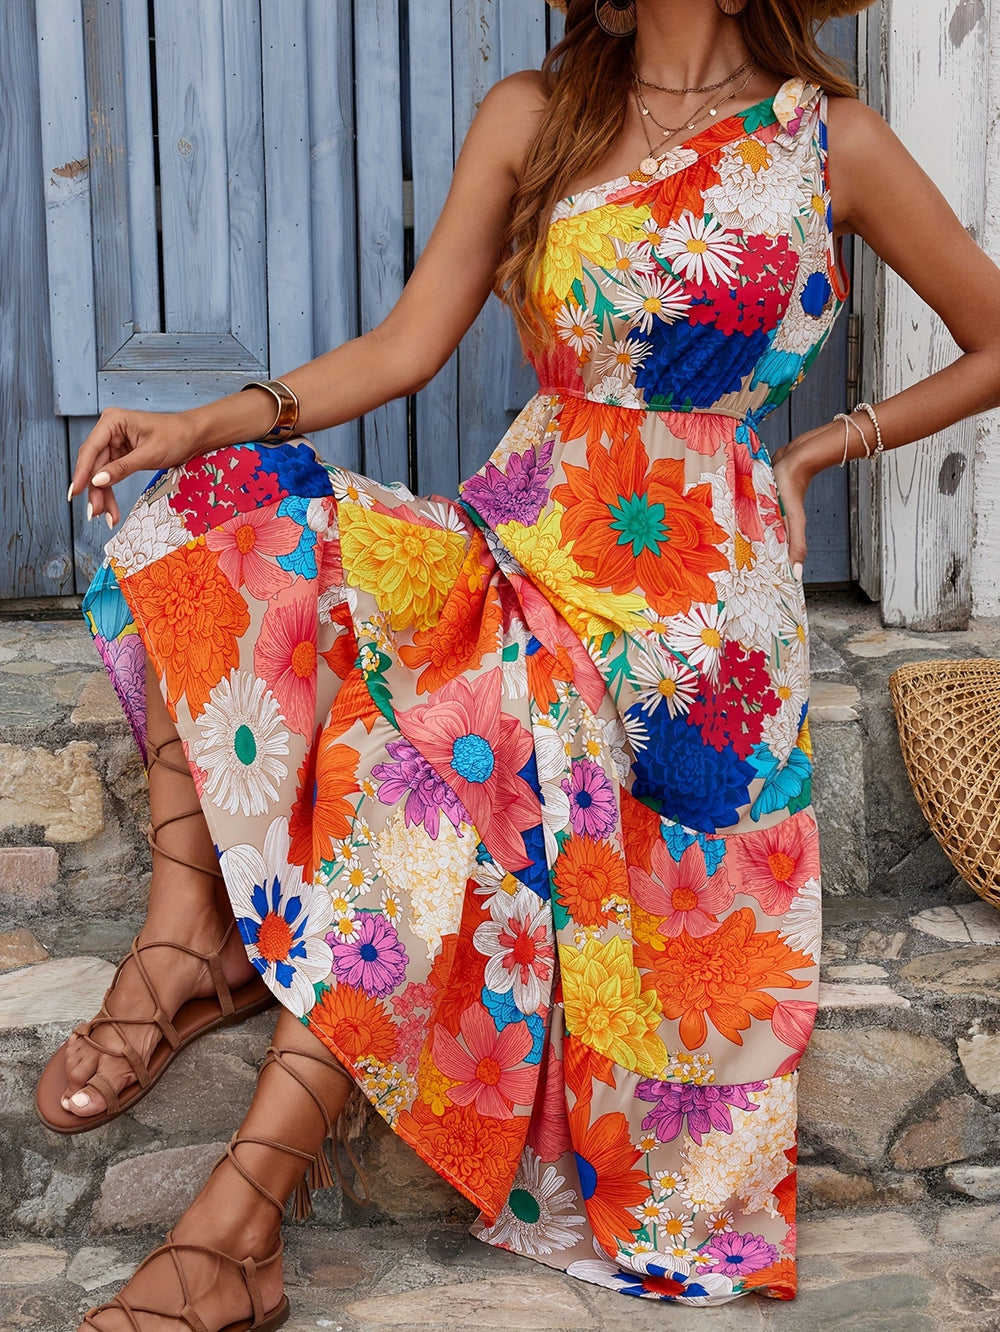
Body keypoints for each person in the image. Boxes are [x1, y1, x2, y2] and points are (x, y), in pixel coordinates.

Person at [34, 0, 1000, 1323]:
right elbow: (405, 346)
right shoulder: (537, 117)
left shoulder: (831, 142)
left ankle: (239, 1225)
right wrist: (207, 420)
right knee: (200, 515)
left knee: (450, 776)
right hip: (525, 537)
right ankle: (189, 938)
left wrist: (827, 447)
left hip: (697, 626)